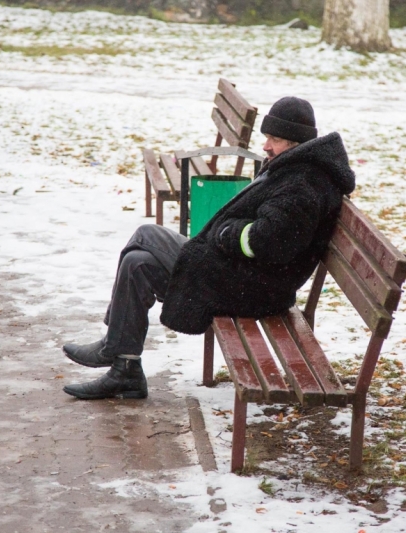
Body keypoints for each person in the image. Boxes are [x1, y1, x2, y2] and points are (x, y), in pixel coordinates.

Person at [61, 96, 355, 400]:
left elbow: (270, 243)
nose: (266, 146)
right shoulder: (296, 169)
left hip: (254, 289)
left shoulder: (302, 184)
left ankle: (114, 347)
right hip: (243, 274)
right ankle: (125, 369)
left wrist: (227, 232)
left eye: (275, 139)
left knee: (145, 235)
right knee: (138, 262)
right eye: (267, 137)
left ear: (297, 142)